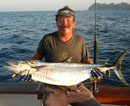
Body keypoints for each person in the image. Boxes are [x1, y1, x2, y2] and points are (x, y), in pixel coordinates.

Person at [30, 6, 101, 106]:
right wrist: (27, 69)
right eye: (61, 20)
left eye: (68, 20)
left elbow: (86, 61)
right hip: (53, 90)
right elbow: (36, 58)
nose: (64, 24)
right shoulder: (48, 39)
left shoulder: (79, 40)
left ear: (74, 23)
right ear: (56, 22)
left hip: (77, 88)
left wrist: (96, 73)